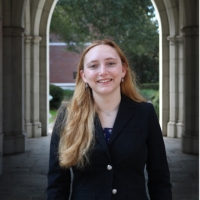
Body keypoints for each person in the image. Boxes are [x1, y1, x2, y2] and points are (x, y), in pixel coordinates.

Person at [47, 39, 172, 200]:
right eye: (93, 66)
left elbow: (160, 178)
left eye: (111, 63)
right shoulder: (67, 116)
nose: (103, 71)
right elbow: (57, 183)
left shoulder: (145, 113)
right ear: (83, 76)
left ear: (123, 70)